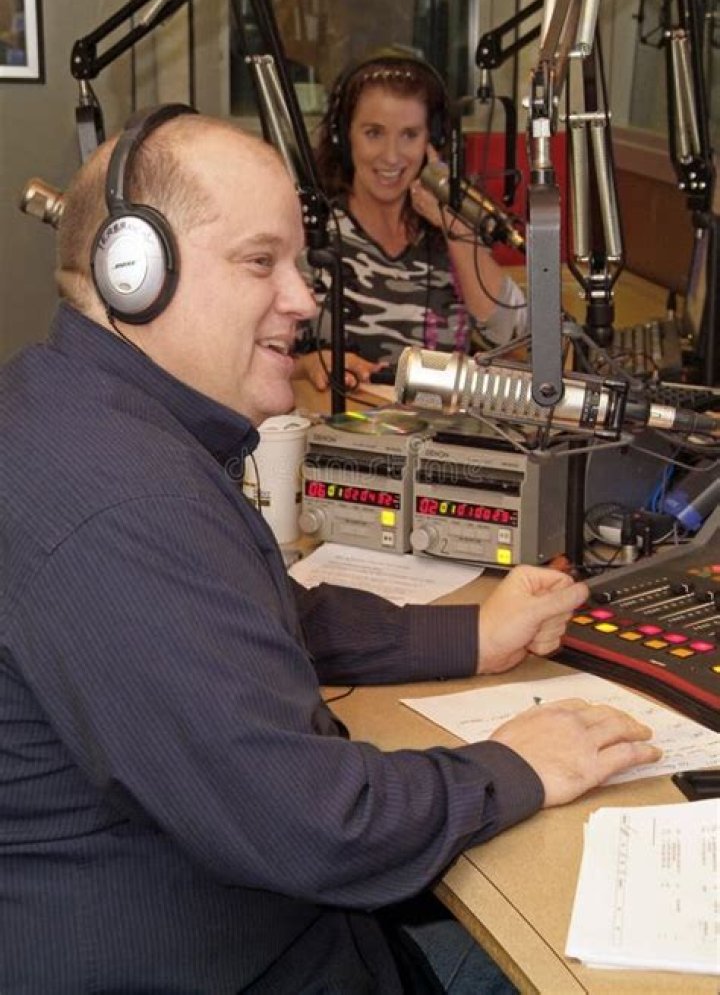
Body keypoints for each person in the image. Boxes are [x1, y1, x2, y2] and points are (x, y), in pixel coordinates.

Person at [0, 107, 661, 994]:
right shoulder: (125, 501)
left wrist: (470, 635)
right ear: (136, 272)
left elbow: (249, 617)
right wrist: (518, 765)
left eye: (300, 263)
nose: (305, 299)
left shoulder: (67, 410)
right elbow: (318, 825)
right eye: (260, 261)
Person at [293, 49, 528, 392]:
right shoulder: (312, 235)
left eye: (409, 135)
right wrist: (305, 366)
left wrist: (452, 225)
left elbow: (514, 335)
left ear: (434, 142)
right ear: (343, 136)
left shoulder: (452, 233)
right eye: (374, 133)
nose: (391, 156)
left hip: (439, 423)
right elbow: (249, 358)